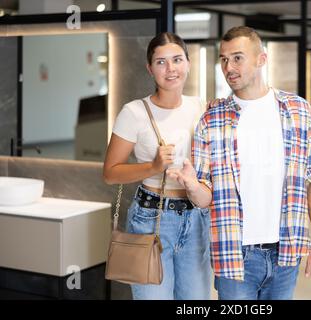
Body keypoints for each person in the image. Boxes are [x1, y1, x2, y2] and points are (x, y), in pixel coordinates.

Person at [168, 26, 311, 300]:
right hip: (234, 255)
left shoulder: (298, 111)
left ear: (261, 59)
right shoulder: (212, 119)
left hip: (286, 252)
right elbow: (205, 197)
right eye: (223, 59)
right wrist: (193, 187)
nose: (229, 67)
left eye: (238, 58)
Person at [102, 32, 211, 300]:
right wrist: (153, 166)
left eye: (177, 60)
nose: (170, 68)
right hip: (150, 219)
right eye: (161, 62)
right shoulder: (134, 112)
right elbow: (110, 173)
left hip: (196, 219)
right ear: (150, 69)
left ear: (188, 62)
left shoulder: (202, 108)